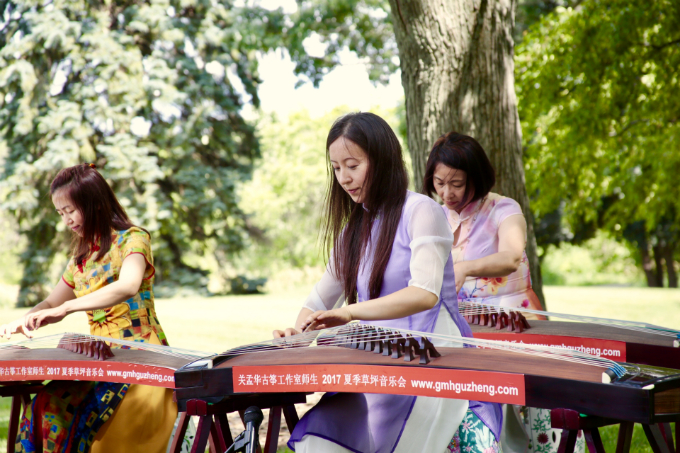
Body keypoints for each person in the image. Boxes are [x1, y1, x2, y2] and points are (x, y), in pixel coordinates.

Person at [273, 113, 501, 453]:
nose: (344, 178)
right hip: (377, 360)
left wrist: (350, 312)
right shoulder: (353, 230)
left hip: (434, 357)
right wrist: (298, 334)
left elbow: (424, 294)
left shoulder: (422, 211)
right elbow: (320, 300)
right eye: (336, 168)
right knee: (320, 440)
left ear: (381, 160)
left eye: (353, 165)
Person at [422, 132, 583, 453]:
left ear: (476, 178)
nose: (447, 192)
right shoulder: (434, 216)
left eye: (457, 183)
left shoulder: (503, 208)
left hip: (514, 320)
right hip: (465, 326)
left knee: (534, 401)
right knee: (469, 399)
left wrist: (464, 268)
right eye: (439, 183)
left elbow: (511, 257)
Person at [0, 164, 177, 453]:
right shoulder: (81, 258)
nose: (66, 220)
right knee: (44, 407)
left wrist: (67, 308)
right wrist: (25, 320)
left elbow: (128, 285)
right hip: (98, 358)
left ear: (95, 202)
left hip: (141, 357)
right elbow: (51, 302)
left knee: (98, 430)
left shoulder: (133, 239)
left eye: (70, 210)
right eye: (60, 213)